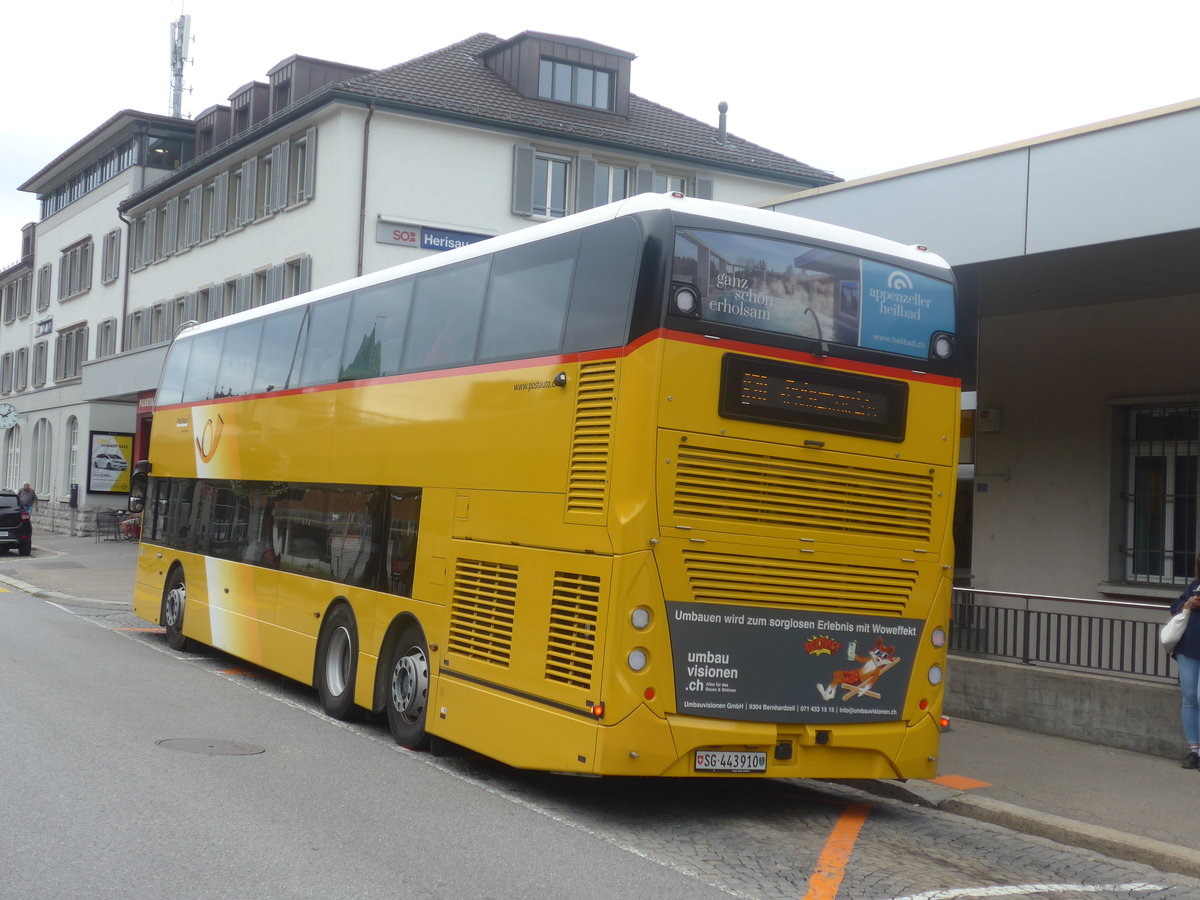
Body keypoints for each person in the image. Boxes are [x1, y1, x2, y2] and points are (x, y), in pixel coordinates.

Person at [1170, 560, 1200, 768]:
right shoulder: (1195, 585)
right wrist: (1187, 604)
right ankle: (1194, 751)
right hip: (1188, 649)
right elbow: (1175, 606)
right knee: (1189, 699)